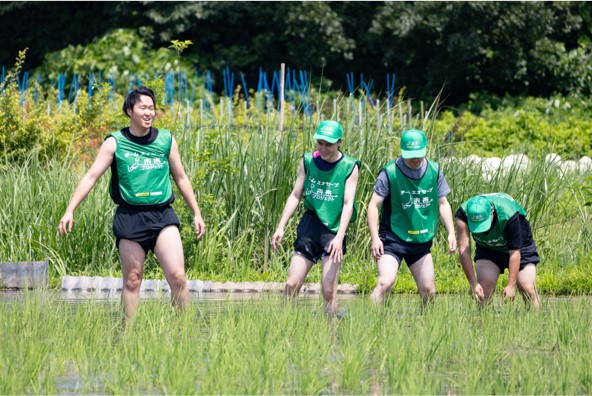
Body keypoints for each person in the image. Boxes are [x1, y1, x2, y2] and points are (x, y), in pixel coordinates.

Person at [58, 86, 206, 320]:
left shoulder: (166, 140)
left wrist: (196, 212)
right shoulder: (114, 143)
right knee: (133, 279)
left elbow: (181, 178)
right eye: (143, 108)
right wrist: (70, 210)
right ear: (129, 110)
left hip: (162, 215)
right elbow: (91, 176)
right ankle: (129, 335)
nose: (149, 113)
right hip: (130, 218)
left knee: (177, 276)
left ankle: (187, 330)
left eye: (152, 108)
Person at [271, 120, 360, 315]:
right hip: (310, 226)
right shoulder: (308, 161)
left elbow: (347, 204)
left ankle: (332, 337)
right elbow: (295, 195)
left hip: (334, 229)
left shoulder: (349, 167)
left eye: (328, 144)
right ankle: (285, 327)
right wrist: (281, 226)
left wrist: (339, 237)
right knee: (292, 283)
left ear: (340, 142)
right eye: (320, 143)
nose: (323, 148)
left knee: (328, 291)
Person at [369, 129, 456, 306]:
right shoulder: (389, 172)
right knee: (385, 283)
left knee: (429, 291)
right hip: (393, 237)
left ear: (426, 148)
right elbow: (373, 205)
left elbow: (443, 203)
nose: (416, 159)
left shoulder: (434, 170)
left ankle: (426, 328)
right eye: (411, 155)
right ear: (401, 151)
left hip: (421, 239)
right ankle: (367, 325)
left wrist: (451, 232)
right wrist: (375, 238)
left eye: (419, 154)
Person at [455, 192, 540, 308]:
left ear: (492, 212)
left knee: (527, 287)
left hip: (520, 248)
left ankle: (536, 322)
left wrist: (511, 285)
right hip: (488, 249)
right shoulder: (463, 215)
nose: (481, 231)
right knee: (483, 290)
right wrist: (473, 283)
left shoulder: (508, 214)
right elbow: (464, 251)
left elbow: (515, 253)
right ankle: (482, 324)